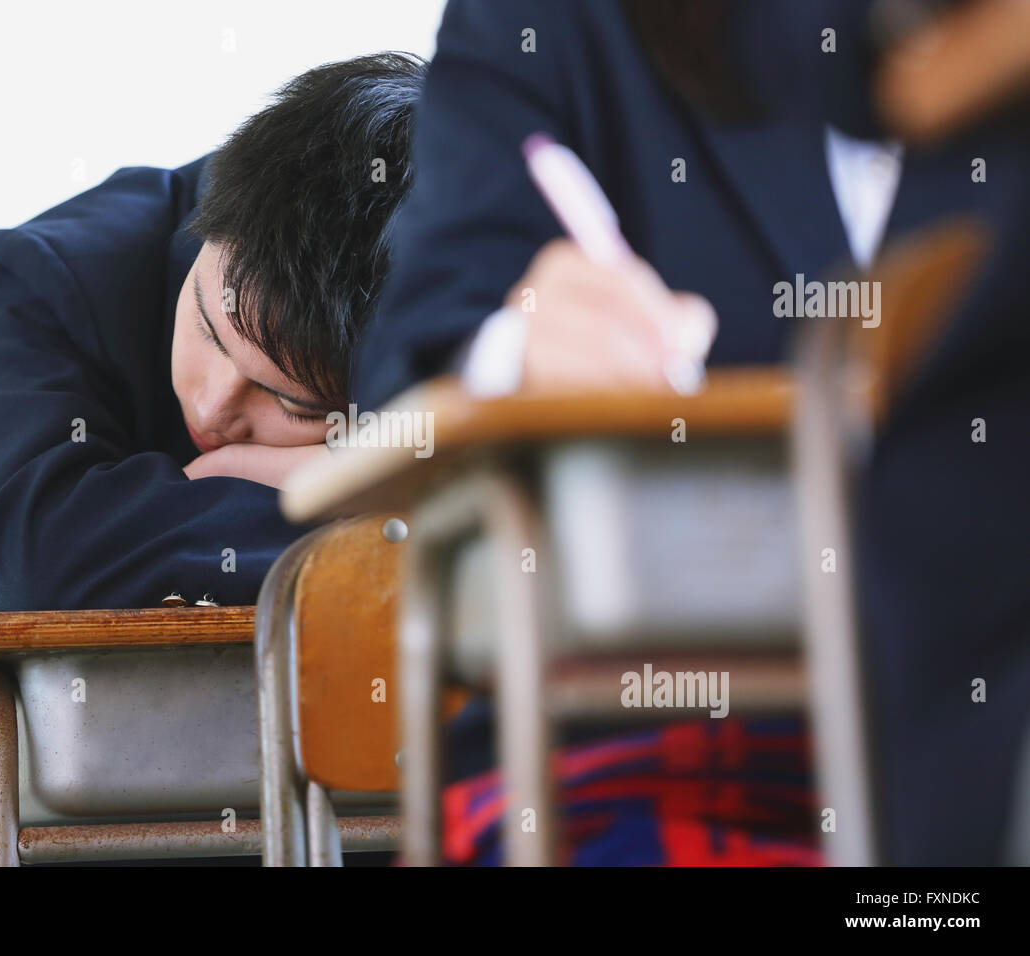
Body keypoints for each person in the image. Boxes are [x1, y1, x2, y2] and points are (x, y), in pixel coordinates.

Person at [355, 0, 1030, 864]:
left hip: (979, 724)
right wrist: (518, 343)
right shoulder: (552, 27)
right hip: (669, 743)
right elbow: (411, 369)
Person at [0, 52, 425, 613]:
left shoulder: (477, 319)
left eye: (294, 405)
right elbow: (45, 563)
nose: (214, 407)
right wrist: (371, 498)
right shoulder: (41, 278)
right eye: (209, 329)